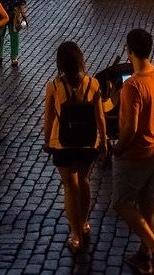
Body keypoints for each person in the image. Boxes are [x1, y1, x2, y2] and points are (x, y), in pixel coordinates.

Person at [112, 27, 154, 275]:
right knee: (147, 202)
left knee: (121, 203)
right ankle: (144, 253)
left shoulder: (132, 86)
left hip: (135, 154)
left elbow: (130, 128)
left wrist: (117, 149)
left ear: (129, 52)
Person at [43, 41, 106, 253]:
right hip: (87, 143)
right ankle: (85, 221)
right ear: (80, 60)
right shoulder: (93, 84)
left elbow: (49, 118)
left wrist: (46, 141)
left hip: (63, 144)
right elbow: (99, 116)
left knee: (70, 186)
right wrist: (104, 140)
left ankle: (76, 234)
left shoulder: (54, 86)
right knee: (85, 180)